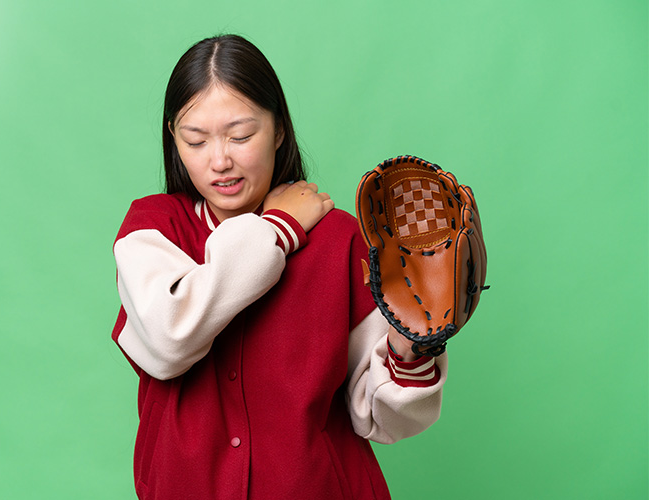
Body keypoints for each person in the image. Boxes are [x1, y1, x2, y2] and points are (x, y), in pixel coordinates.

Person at [111, 34, 447, 500]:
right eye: (196, 140)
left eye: (242, 135)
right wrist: (278, 229)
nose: (220, 160)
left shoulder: (339, 239)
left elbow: (382, 418)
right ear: (174, 138)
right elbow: (169, 339)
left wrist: (410, 348)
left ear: (280, 130)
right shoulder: (151, 230)